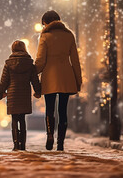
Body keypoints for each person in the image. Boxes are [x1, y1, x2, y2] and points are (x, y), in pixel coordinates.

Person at [35, 10, 82, 151]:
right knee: (63, 110)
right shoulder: (69, 36)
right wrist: (78, 80)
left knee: (49, 109)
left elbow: (41, 60)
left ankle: (50, 134)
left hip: (50, 76)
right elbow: (75, 60)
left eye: (44, 24)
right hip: (66, 76)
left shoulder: (45, 36)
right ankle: (60, 142)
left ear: (46, 23)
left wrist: (32, 74)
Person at [0, 40, 41, 151]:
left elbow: (4, 80)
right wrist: (37, 91)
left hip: (13, 94)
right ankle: (23, 145)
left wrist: (1, 91)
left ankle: (16, 144)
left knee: (14, 120)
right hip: (24, 94)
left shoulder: (8, 64)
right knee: (22, 120)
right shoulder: (29, 63)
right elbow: (35, 80)